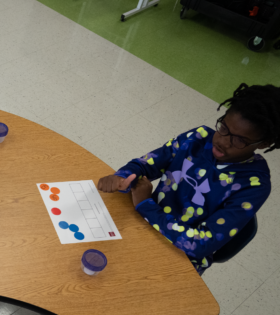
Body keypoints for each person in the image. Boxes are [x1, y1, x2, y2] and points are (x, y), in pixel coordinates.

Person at [98, 83, 278, 273]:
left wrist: (145, 205)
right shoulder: (197, 138)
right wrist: (122, 177)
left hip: (182, 259)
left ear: (263, 143)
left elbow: (200, 244)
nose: (223, 141)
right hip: (144, 222)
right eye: (223, 127)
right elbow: (147, 164)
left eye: (240, 140)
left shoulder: (254, 185)